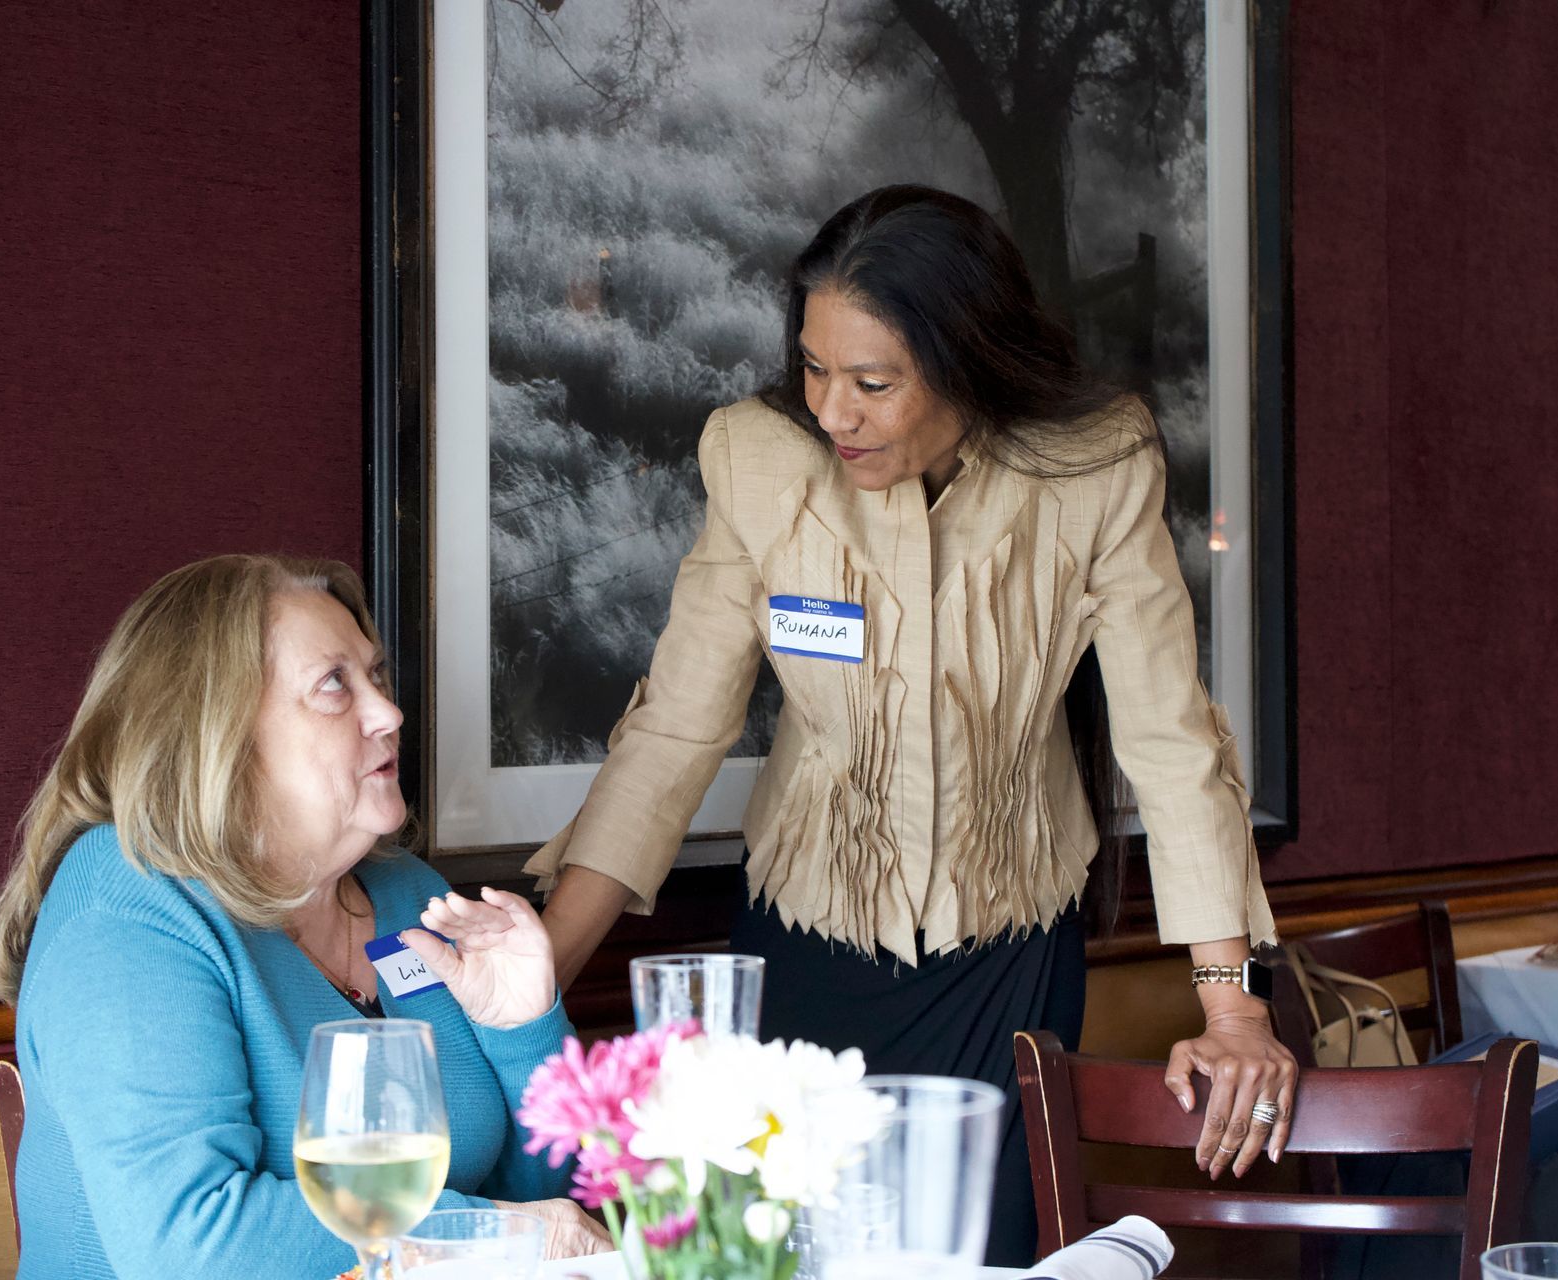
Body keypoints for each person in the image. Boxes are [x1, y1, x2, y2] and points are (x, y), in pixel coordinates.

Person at [525, 186, 1298, 1266]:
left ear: (971, 365)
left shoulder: (1096, 466)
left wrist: (1231, 1007)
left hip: (1010, 955)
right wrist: (541, 973)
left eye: (873, 383)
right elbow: (673, 730)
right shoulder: (758, 461)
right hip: (806, 946)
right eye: (814, 368)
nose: (833, 411)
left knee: (975, 1250)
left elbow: (1170, 738)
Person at [0, 554, 608, 1279]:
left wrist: (525, 1032)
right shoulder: (127, 903)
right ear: (217, 731)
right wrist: (494, 1233)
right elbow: (191, 1244)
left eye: (376, 674)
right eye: (335, 684)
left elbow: (540, 1207)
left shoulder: (407, 895)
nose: (389, 712)